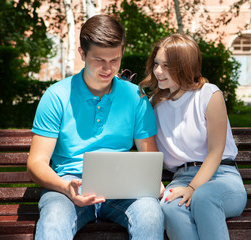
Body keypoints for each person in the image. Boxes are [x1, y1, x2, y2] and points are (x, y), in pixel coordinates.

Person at [27, 14, 164, 239]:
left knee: (151, 213)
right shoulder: (56, 96)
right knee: (53, 222)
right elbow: (35, 163)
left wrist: (152, 183)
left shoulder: (135, 97)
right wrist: (65, 187)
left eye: (115, 60)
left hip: (123, 190)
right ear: (82, 54)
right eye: (99, 59)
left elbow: (150, 157)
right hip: (67, 188)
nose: (108, 69)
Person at [139, 34, 247, 240]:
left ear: (184, 66)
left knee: (204, 198)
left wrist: (193, 188)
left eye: (166, 66)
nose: (158, 71)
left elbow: (216, 151)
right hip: (180, 178)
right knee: (170, 208)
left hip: (222, 178)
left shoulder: (209, 94)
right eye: (156, 64)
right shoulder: (153, 105)